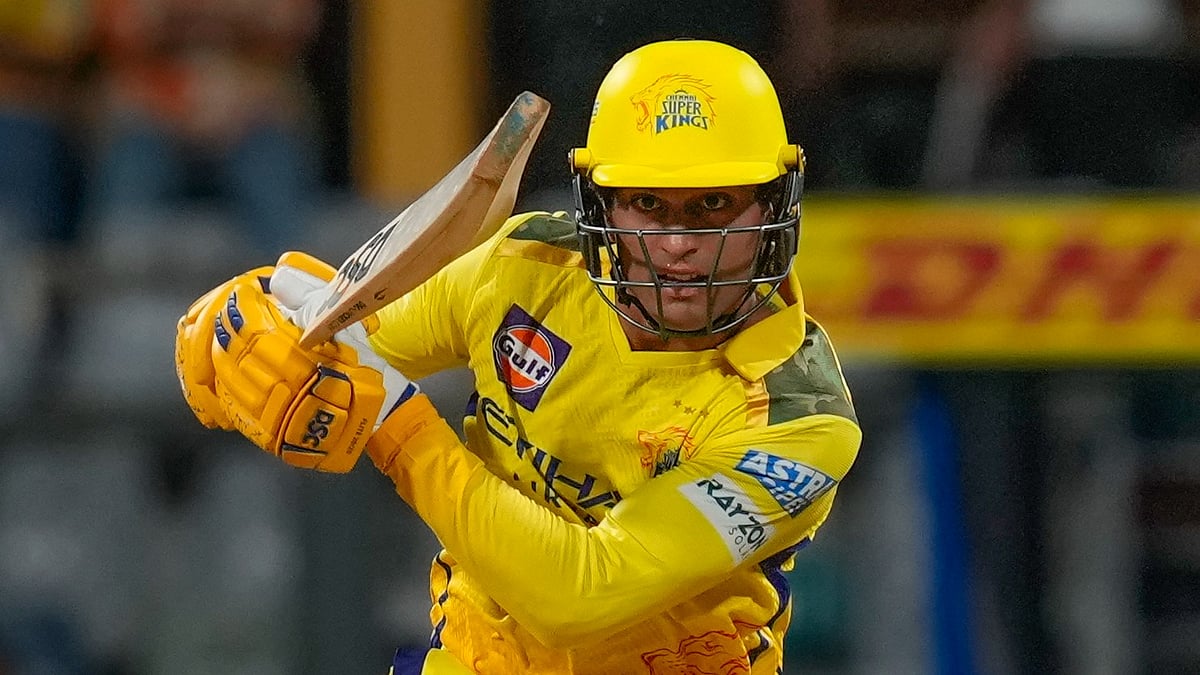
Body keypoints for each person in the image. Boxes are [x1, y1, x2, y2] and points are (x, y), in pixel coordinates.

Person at [175, 39, 862, 674]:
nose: (678, 242)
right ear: (600, 202)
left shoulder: (801, 421)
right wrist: (238, 333)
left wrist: (400, 430)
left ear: (776, 203)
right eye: (647, 202)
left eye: (713, 203)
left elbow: (580, 593)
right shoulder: (524, 265)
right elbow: (343, 352)